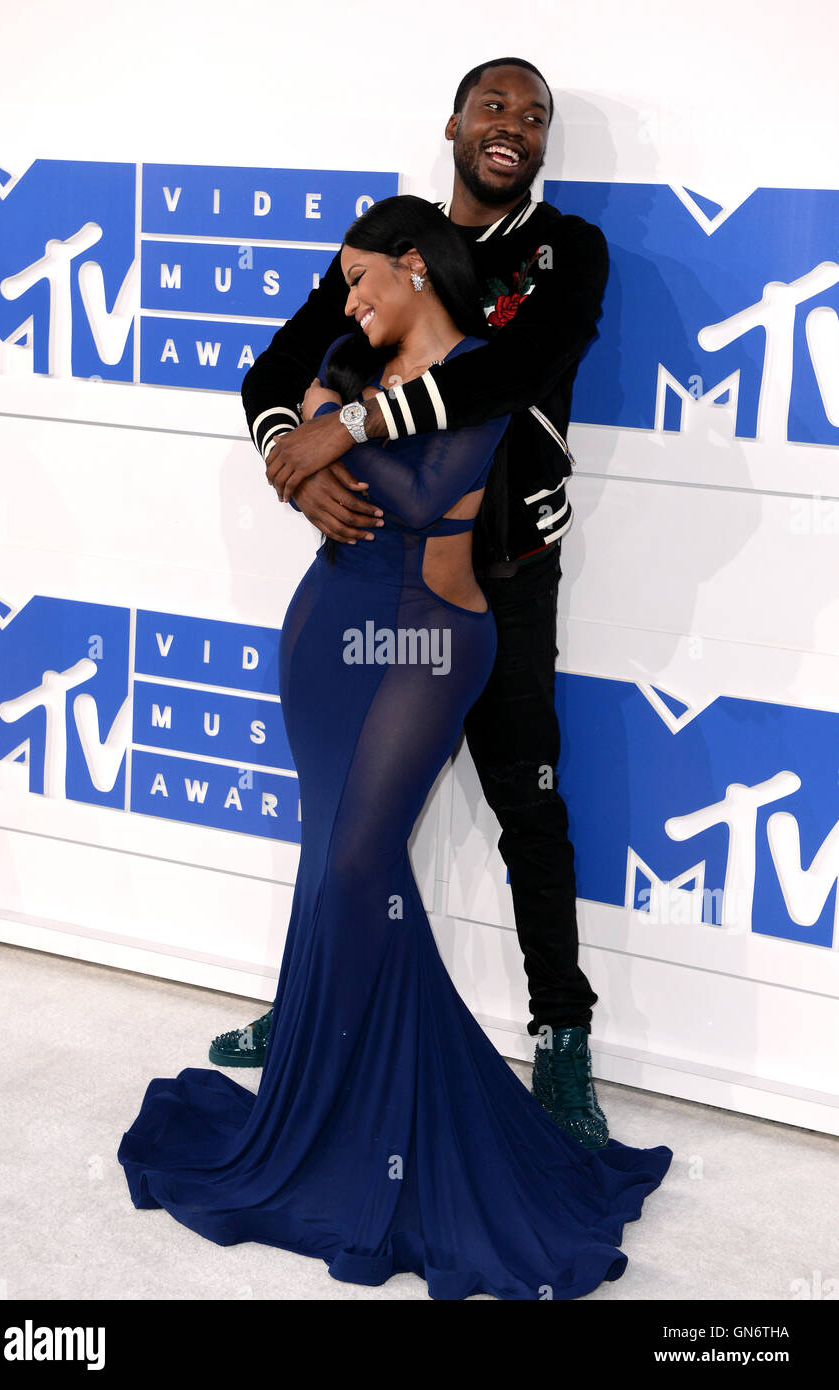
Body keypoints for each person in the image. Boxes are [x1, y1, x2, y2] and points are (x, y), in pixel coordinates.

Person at [118, 195, 671, 1301]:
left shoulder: (481, 367)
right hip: (326, 631)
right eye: (345, 286)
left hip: (430, 639)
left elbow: (421, 492)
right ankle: (325, 1100)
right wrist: (303, 439)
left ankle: (403, 1111)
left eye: (364, 280)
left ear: (416, 270)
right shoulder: (340, 351)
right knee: (333, 863)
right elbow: (296, 435)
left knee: (366, 866)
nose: (349, 298)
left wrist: (342, 427)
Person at [212, 57, 611, 1150]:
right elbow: (274, 374)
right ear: (453, 123)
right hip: (366, 585)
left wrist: (356, 425)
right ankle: (310, 1003)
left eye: (534, 117)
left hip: (500, 591)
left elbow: (521, 367)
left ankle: (563, 1043)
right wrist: (296, 454)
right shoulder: (387, 244)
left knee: (529, 808)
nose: (515, 127)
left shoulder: (564, 251)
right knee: (343, 814)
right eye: (496, 106)